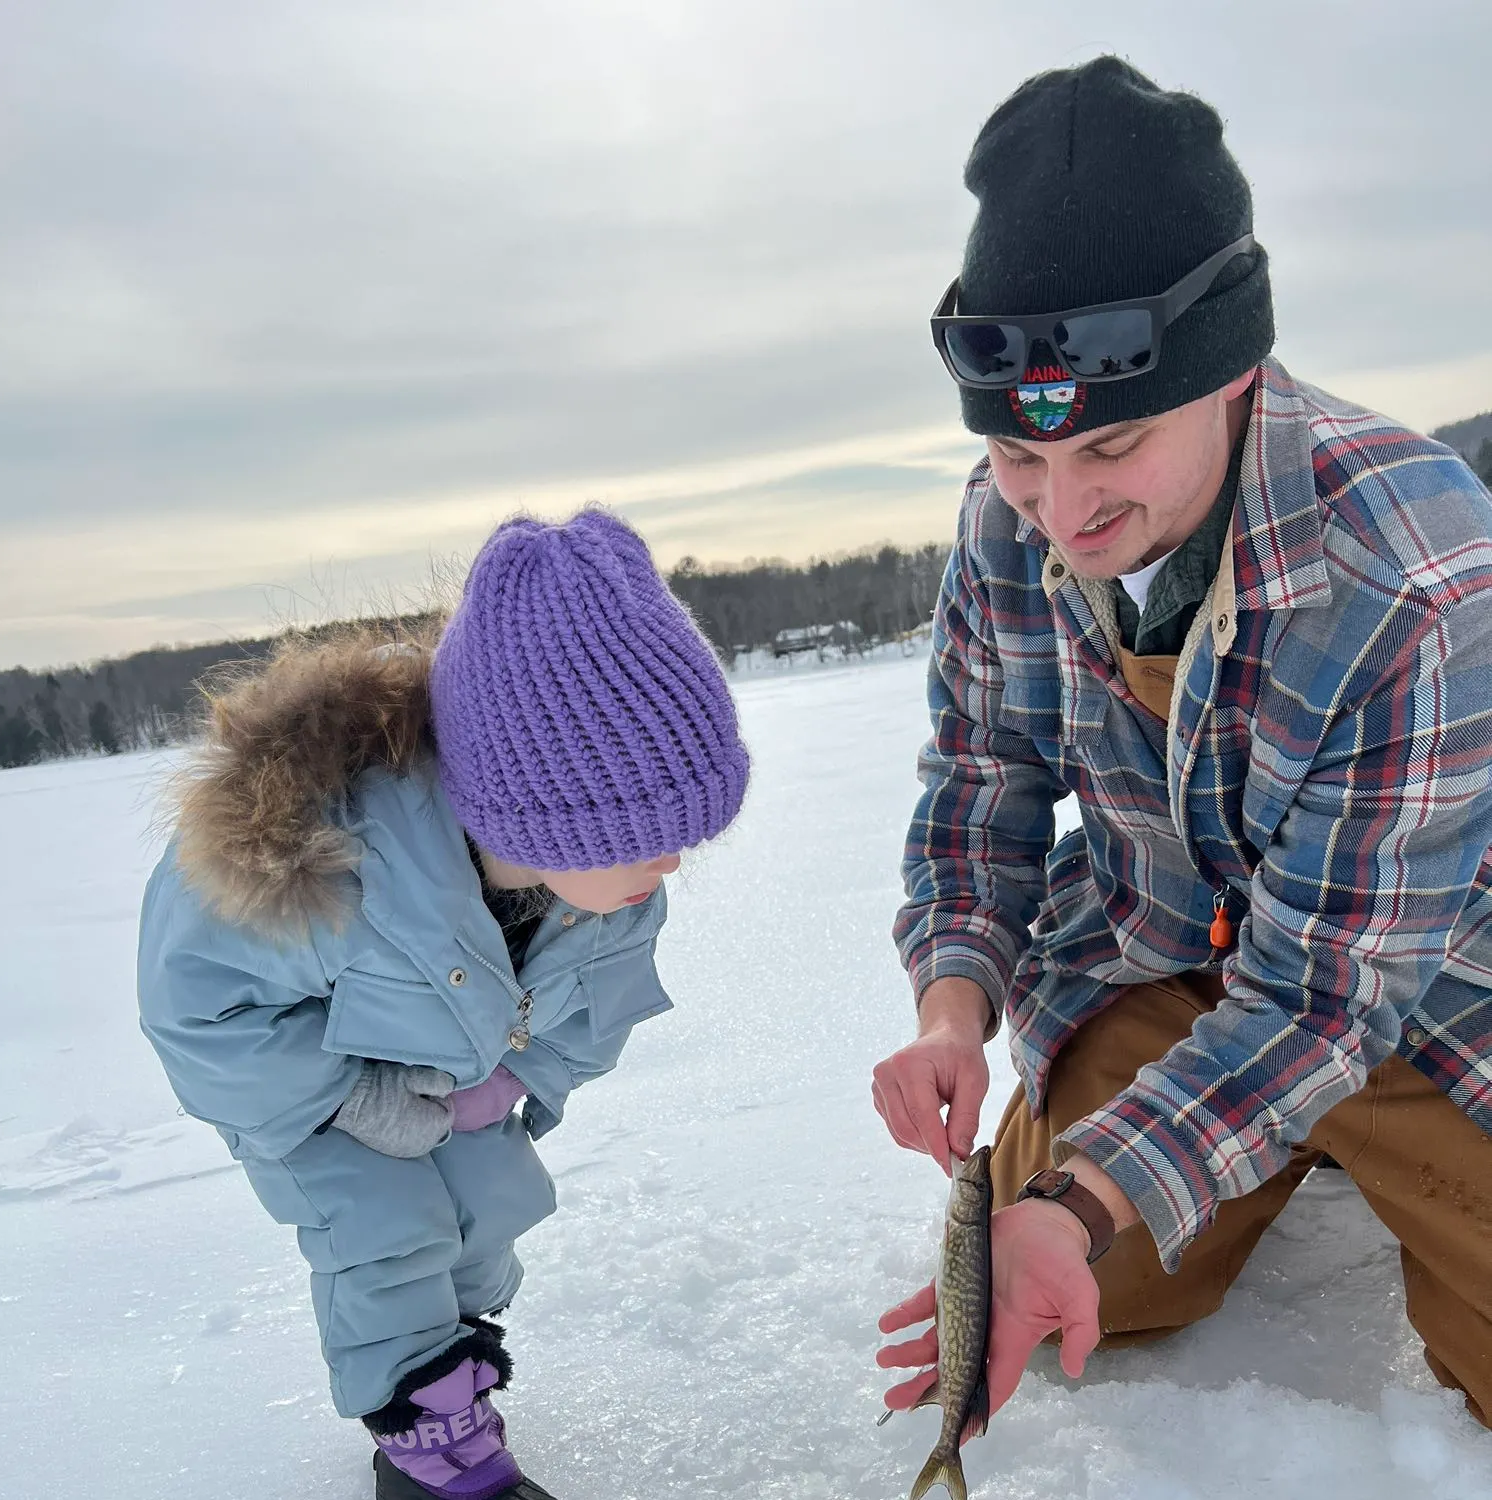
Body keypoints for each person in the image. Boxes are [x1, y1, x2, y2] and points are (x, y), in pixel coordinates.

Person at [871, 56, 1492, 1432]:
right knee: (1089, 1295)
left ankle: (1348, 1148)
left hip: (1419, 994)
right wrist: (953, 1001)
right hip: (1170, 958)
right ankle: (1267, 1149)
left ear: (1234, 373)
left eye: (1115, 448)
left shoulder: (1421, 580)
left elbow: (1327, 998)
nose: (1062, 511)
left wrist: (1094, 1189)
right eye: (1025, 460)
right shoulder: (1004, 523)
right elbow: (986, 780)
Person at [137, 510, 750, 1499]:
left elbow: (597, 1010)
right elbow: (195, 1009)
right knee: (386, 1242)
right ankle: (436, 1460)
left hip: (461, 1077)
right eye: (646, 836)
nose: (672, 861)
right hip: (314, 1102)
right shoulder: (336, 866)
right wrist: (342, 1101)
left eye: (685, 834)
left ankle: (454, 1379)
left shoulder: (612, 892)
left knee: (485, 1219)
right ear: (539, 818)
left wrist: (510, 1082)